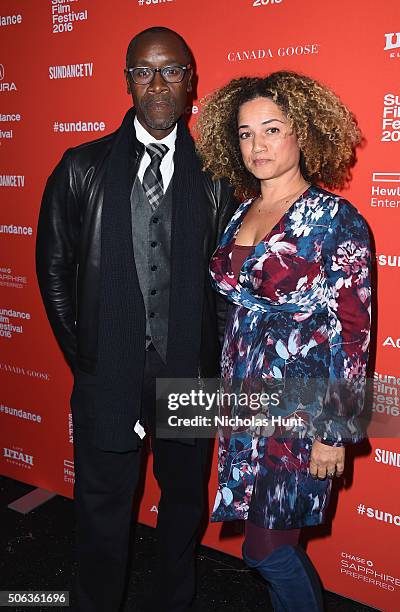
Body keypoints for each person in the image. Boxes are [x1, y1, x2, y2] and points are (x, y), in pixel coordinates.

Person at [36, 27, 236, 612]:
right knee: (100, 519)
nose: (157, 83)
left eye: (170, 70)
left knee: (182, 514)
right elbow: (54, 270)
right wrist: (89, 358)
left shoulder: (219, 179)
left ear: (190, 80)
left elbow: (228, 287)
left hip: (189, 378)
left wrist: (213, 366)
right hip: (108, 376)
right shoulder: (81, 167)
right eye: (144, 71)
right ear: (127, 81)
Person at [196, 72, 371, 611]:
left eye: (272, 129)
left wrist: (334, 432)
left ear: (306, 133)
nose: (258, 145)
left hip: (302, 408)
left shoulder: (335, 221)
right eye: (246, 133)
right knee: (270, 542)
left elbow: (355, 333)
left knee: (266, 549)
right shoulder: (240, 213)